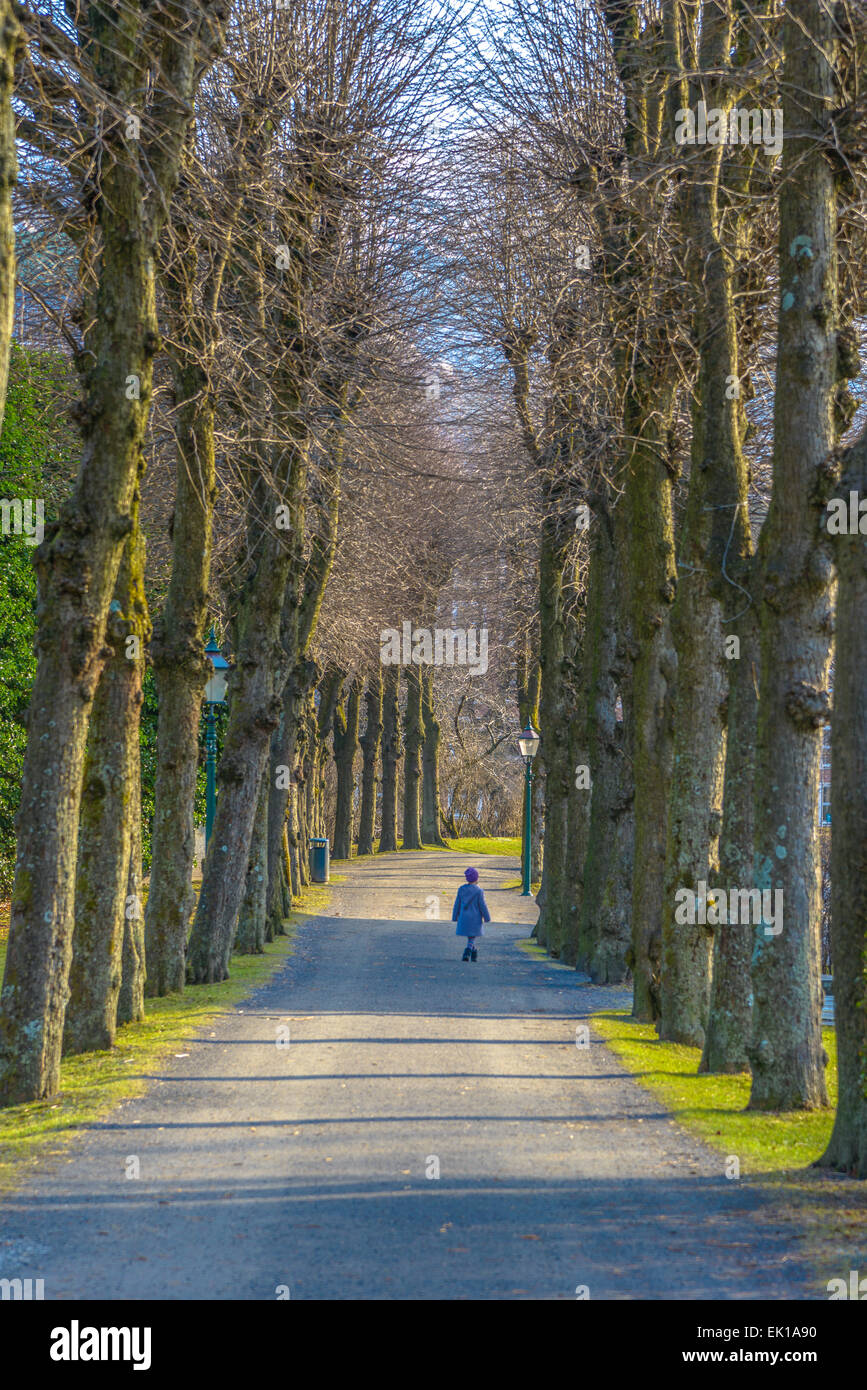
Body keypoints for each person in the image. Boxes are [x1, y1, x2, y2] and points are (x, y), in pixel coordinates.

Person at [452, 866, 491, 962]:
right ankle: (468, 950)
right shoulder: (479, 891)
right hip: (475, 917)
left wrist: (454, 916)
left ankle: (474, 951)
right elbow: (482, 905)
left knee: (470, 935)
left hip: (464, 916)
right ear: (476, 878)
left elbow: (457, 903)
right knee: (472, 935)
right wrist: (487, 917)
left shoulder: (461, 889)